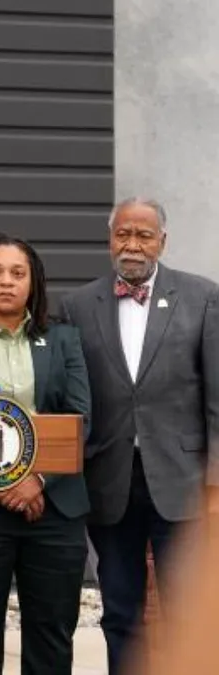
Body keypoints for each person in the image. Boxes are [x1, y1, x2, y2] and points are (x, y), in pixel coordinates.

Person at [60, 197, 219, 675]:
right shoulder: (78, 306)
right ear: (110, 239)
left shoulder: (202, 297)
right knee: (121, 609)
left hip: (183, 482)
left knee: (188, 611)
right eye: (123, 233)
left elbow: (217, 398)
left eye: (144, 235)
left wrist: (215, 484)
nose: (132, 244)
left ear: (162, 241)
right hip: (109, 482)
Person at [0, 233, 92, 675]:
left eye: (18, 273)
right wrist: (2, 483)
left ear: (34, 282)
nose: (6, 282)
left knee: (51, 631)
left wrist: (37, 480)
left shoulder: (64, 339)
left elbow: (81, 418)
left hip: (54, 505)